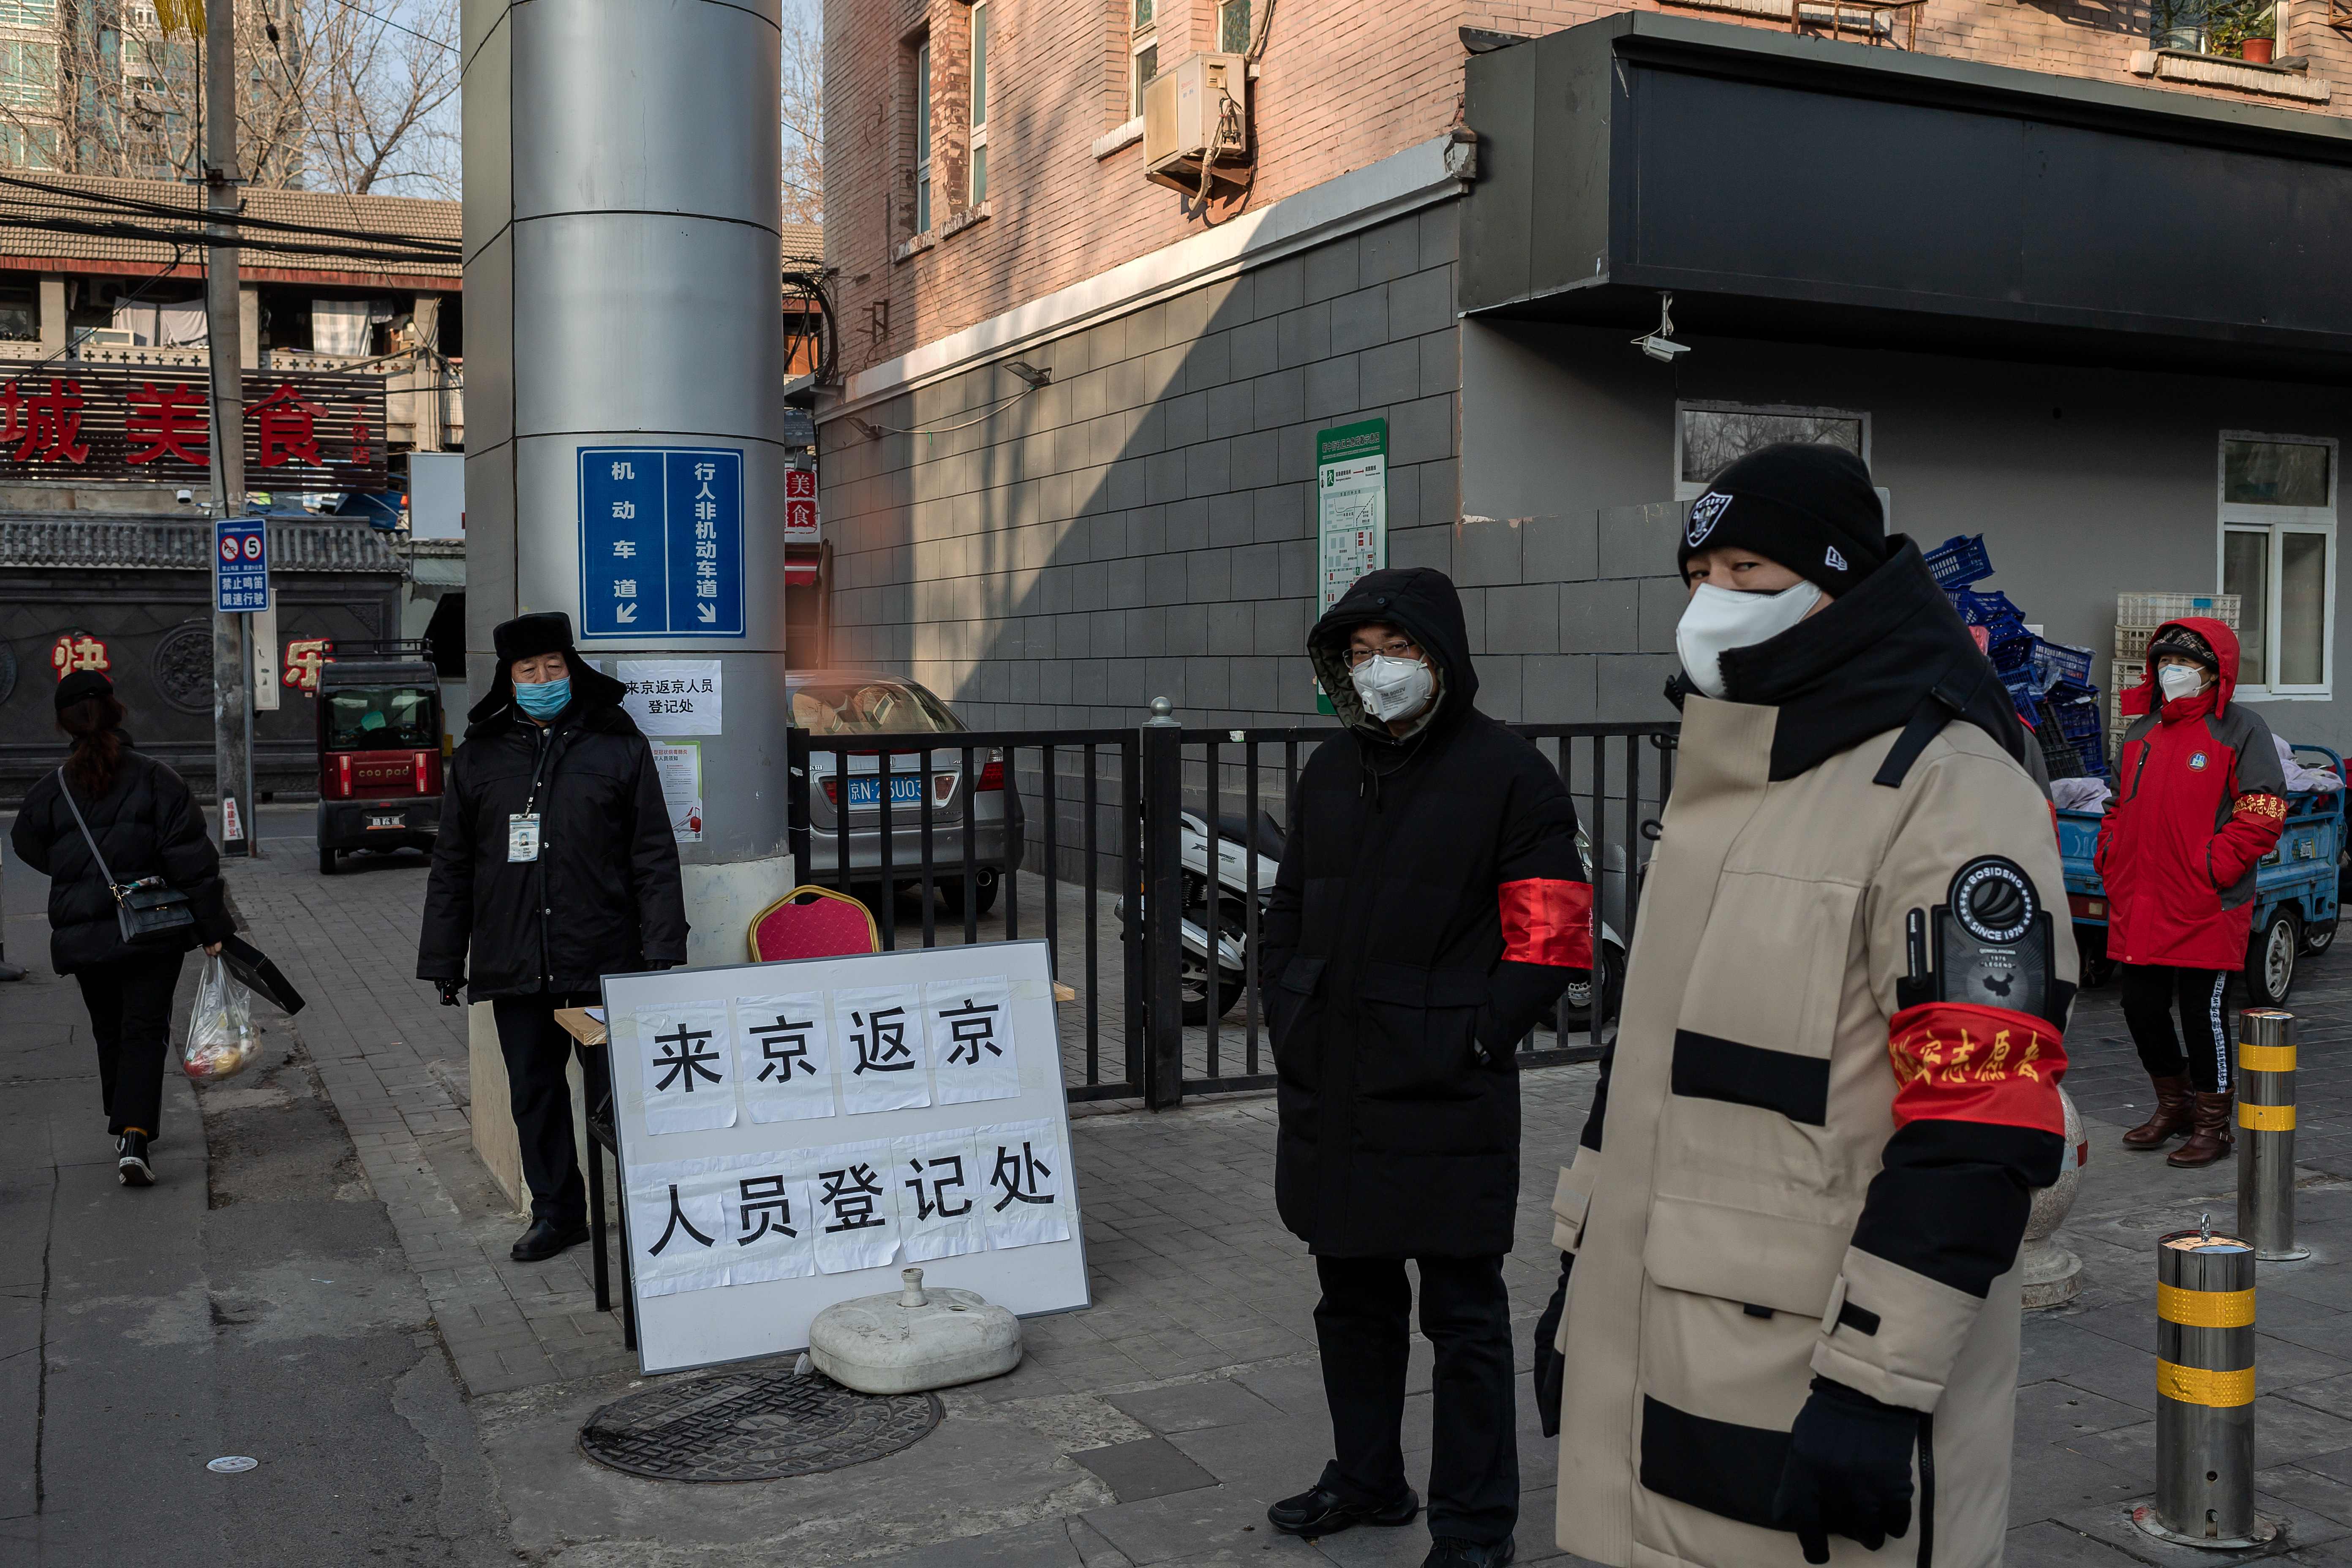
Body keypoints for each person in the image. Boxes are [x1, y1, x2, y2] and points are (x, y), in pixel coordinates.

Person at [1540, 444, 2071, 1568]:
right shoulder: (1729, 774)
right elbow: (1648, 1072)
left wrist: (1879, 1386)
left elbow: (1981, 1124)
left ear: (1844, 589)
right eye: (1697, 575)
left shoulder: (1953, 789)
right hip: (1670, 1350)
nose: (1711, 606)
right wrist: (1580, 1280)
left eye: (1748, 570)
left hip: (1820, 1378)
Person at [1260, 566, 1590, 1568]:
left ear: (1442, 656)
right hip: (1336, 1091)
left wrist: (1473, 1038)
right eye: (1359, 654)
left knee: (1464, 1322)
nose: (1379, 671)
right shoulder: (1327, 773)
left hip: (1446, 1097)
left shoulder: (1510, 774)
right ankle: (1366, 1478)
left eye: (1396, 651)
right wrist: (1291, 1014)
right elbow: (1286, 917)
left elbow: (1551, 942)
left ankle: (1475, 1529)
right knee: (1350, 1305)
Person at [417, 612, 690, 1261]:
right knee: (534, 1097)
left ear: (571, 668)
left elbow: (652, 852)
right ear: (508, 679)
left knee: (614, 1098)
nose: (543, 680)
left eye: (554, 667)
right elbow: (453, 864)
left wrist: (661, 948)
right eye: (528, 670)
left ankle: (646, 1213)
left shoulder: (617, 743)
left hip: (598, 962)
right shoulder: (480, 756)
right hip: (515, 963)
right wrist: (443, 957)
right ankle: (559, 1214)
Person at [11, 670, 232, 1187]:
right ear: (116, 710)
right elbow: (193, 861)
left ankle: (124, 1120)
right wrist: (213, 927)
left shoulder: (51, 791)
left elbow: (26, 844)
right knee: (143, 1030)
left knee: (109, 1028)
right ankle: (134, 1133)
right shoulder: (158, 779)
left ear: (65, 723)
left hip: (84, 932)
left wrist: (74, 873)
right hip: (153, 928)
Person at [2096, 619, 2284, 1166]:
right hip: (2142, 898)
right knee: (2141, 1007)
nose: (2170, 673)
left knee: (2204, 1013)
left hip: (2206, 902)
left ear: (2214, 673)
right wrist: (2111, 855)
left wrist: (2213, 866)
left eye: (2185, 665)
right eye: (2163, 664)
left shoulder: (2242, 731)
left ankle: (2212, 1123)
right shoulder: (2140, 733)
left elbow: (2262, 811)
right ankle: (2173, 1105)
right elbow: (2115, 804)